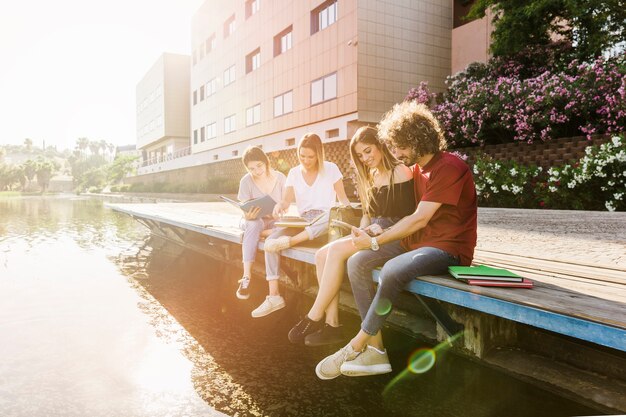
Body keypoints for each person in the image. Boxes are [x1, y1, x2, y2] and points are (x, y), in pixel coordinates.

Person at [315, 101, 478, 380]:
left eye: (400, 147)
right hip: (418, 243)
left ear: (417, 140)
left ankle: (356, 345)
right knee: (357, 262)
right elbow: (404, 215)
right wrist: (376, 231)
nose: (397, 153)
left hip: (448, 249)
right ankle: (376, 353)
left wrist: (376, 242)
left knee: (390, 270)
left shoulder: (450, 167)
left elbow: (419, 219)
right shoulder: (416, 169)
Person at [287, 126, 414, 346]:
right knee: (321, 255)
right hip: (373, 233)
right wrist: (363, 228)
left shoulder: (400, 171)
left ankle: (313, 316)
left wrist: (377, 231)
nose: (365, 158)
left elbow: (409, 217)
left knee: (335, 250)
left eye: (368, 151)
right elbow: (368, 215)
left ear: (380, 145)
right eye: (360, 155)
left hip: (395, 236)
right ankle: (332, 324)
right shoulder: (373, 175)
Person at [251, 133, 351, 318]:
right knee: (272, 240)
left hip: (324, 224)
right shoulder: (294, 173)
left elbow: (343, 201)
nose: (306, 160)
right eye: (302, 155)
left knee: (331, 212)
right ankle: (274, 296)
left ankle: (291, 241)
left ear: (319, 154)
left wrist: (350, 214)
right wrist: (279, 206)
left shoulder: (331, 169)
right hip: (304, 221)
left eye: (310, 156)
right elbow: (286, 201)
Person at [235, 146, 287, 300]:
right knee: (253, 225)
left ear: (265, 161)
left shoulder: (280, 178)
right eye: (252, 168)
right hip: (253, 220)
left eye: (259, 166)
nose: (257, 171)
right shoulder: (246, 181)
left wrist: (278, 209)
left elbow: (286, 204)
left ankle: (261, 234)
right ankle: (246, 277)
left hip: (274, 221)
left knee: (284, 227)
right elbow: (243, 208)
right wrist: (248, 215)